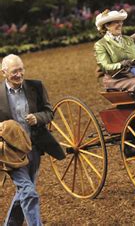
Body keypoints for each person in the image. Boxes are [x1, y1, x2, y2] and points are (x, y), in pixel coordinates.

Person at [1, 54, 65, 226]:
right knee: (29, 192)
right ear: (4, 73)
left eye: (21, 69)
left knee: (24, 190)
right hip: (11, 153)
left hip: (35, 147)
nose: (19, 74)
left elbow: (49, 112)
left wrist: (37, 118)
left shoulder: (35, 86)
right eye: (15, 71)